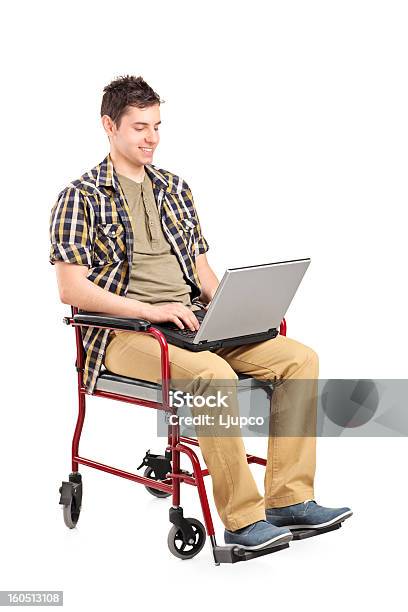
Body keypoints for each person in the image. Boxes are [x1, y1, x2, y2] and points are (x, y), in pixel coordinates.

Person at [49, 74, 352, 551]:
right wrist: (153, 309)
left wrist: (236, 310)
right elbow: (72, 287)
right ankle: (242, 522)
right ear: (109, 126)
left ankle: (290, 499)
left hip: (191, 322)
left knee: (299, 359)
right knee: (213, 374)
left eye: (157, 126)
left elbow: (201, 269)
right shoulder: (80, 196)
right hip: (124, 334)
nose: (152, 138)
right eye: (139, 128)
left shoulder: (175, 188)